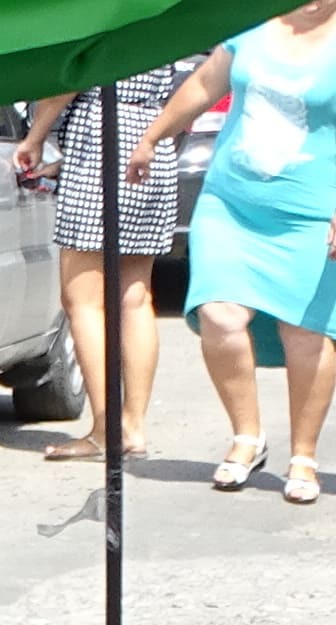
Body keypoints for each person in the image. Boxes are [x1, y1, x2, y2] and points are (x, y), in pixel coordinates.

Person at [134, 3, 336, 503]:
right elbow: (204, 85)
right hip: (230, 203)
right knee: (219, 314)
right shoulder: (251, 26)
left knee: (304, 332)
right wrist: (153, 137)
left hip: (311, 212)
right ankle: (247, 436)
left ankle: (304, 456)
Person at [20, 62, 200, 459]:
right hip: (152, 136)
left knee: (82, 298)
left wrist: (35, 137)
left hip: (101, 135)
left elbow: (75, 75)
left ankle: (106, 428)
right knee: (135, 297)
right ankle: (133, 425)